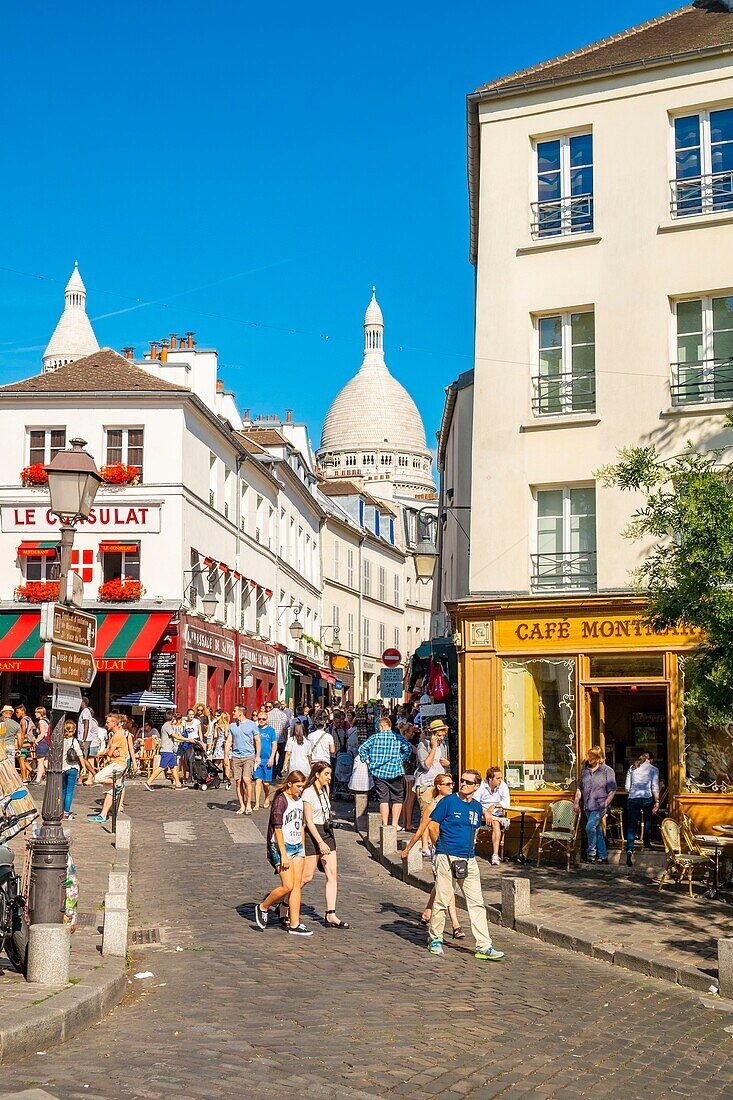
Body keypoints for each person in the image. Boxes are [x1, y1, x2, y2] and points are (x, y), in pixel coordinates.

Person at [426, 769, 505, 962]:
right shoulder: (448, 802)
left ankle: (484, 946)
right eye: (461, 781)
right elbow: (432, 825)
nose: (463, 784)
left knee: (477, 902)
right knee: (443, 899)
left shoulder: (477, 808)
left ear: (476, 786)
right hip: (446, 856)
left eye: (468, 782)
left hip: (468, 859)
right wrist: (440, 849)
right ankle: (435, 939)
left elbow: (475, 829)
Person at [402, 775, 464, 938]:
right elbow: (421, 829)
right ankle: (456, 925)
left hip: (455, 850)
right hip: (440, 851)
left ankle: (427, 912)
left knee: (442, 885)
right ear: (438, 786)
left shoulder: (455, 803)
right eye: (448, 784)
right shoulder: (432, 806)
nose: (452, 786)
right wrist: (408, 848)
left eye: (452, 783)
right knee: (448, 887)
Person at [255, 770, 313, 937]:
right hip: (281, 846)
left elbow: (301, 825)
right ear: (289, 784)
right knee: (287, 885)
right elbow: (278, 829)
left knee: (296, 886)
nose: (301, 789)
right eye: (298, 786)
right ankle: (263, 906)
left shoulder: (299, 799)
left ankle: (294, 923)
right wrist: (283, 854)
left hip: (297, 845)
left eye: (302, 786)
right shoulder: (281, 800)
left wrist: (301, 846)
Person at [300, 761, 350, 928]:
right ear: (317, 774)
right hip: (313, 834)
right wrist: (319, 842)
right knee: (307, 877)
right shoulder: (307, 793)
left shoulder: (325, 789)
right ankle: (284, 902)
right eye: (326, 774)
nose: (329, 777)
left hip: (327, 832)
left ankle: (331, 914)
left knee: (332, 875)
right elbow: (308, 821)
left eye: (330, 774)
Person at [357, 717, 413, 827]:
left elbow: (361, 749)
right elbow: (408, 749)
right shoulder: (397, 737)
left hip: (379, 772)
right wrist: (401, 759)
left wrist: (368, 761)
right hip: (395, 771)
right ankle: (395, 824)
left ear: (381, 726)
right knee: (397, 799)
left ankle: (385, 824)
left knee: (383, 799)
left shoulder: (374, 738)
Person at [89, 713, 138, 823]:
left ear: (116, 723)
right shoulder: (113, 735)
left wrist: (133, 763)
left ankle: (117, 784)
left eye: (108, 722)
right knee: (109, 791)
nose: (106, 724)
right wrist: (110, 752)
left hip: (119, 763)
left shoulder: (121, 735)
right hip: (115, 763)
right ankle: (103, 814)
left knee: (97, 778)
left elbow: (111, 752)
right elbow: (108, 752)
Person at [574, 746, 617, 864]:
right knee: (596, 830)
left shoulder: (607, 770)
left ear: (599, 758)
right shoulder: (585, 772)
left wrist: (606, 803)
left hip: (600, 805)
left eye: (591, 757)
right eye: (589, 756)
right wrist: (576, 802)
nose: (588, 759)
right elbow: (579, 789)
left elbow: (612, 790)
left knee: (589, 827)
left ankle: (591, 854)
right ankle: (603, 856)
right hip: (588, 806)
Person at [413, 719, 450, 851]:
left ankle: (434, 843)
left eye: (443, 735)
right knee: (426, 816)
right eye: (438, 735)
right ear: (432, 734)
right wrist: (433, 748)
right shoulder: (423, 745)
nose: (441, 738)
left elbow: (445, 765)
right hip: (426, 784)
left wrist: (447, 764)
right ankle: (424, 846)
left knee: (439, 816)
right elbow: (426, 765)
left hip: (440, 783)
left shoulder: (444, 745)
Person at [625, 751, 660, 865]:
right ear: (650, 759)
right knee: (648, 820)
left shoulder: (632, 767)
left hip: (633, 798)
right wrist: (657, 802)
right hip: (647, 798)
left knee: (632, 824)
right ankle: (646, 843)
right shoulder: (653, 769)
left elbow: (627, 787)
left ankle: (630, 848)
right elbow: (655, 787)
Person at [225, 704, 259, 815]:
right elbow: (229, 741)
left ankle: (248, 804)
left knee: (246, 780)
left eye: (234, 711)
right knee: (238, 782)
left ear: (240, 712)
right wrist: (226, 756)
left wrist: (257, 756)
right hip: (236, 756)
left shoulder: (252, 725)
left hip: (249, 756)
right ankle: (242, 805)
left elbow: (257, 740)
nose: (232, 712)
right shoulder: (232, 726)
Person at [474, 766, 511, 866]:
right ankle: (470, 851)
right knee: (474, 822)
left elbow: (506, 803)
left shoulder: (503, 785)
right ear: (490, 779)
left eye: (501, 778)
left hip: (495, 812)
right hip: (481, 811)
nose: (500, 780)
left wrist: (494, 806)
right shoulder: (482, 785)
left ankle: (495, 854)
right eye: (498, 778)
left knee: (496, 823)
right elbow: (475, 802)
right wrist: (485, 812)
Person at [144, 710, 185, 791]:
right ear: (172, 718)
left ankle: (178, 784)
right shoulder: (167, 726)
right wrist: (187, 739)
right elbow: (175, 736)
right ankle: (148, 782)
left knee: (174, 767)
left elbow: (173, 739)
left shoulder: (167, 726)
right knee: (162, 767)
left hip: (170, 750)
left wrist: (183, 740)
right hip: (166, 750)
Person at [253, 710, 278, 809]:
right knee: (257, 781)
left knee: (266, 783)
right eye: (259, 719)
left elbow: (274, 745)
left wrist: (272, 757)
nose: (261, 721)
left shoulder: (271, 730)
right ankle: (256, 803)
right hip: (258, 759)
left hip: (267, 759)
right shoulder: (255, 729)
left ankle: (267, 796)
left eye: (263, 719)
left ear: (267, 720)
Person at [61, 719, 84, 819]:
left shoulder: (60, 740)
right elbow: (79, 754)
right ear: (74, 730)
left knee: (63, 790)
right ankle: (66, 812)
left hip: (62, 768)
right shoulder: (74, 741)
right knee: (69, 791)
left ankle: (61, 811)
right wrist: (83, 766)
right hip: (72, 767)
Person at [268, 700, 289, 779]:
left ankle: (273, 769)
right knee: (281, 754)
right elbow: (285, 729)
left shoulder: (268, 715)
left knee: (272, 755)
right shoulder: (283, 715)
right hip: (281, 739)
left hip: (271, 739)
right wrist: (286, 738)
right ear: (280, 706)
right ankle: (278, 769)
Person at [212, 711, 231, 789]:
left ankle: (213, 775)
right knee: (226, 763)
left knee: (217, 762)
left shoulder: (217, 726)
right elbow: (226, 735)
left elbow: (215, 736)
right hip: (224, 744)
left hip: (218, 744)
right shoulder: (227, 725)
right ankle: (227, 778)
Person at [33, 707, 50, 783]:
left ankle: (38, 779)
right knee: (45, 761)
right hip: (47, 741)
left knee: (40, 761)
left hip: (42, 742)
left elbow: (42, 733)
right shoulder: (47, 721)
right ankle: (53, 776)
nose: (35, 714)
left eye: (37, 712)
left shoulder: (41, 722)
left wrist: (36, 741)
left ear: (41, 713)